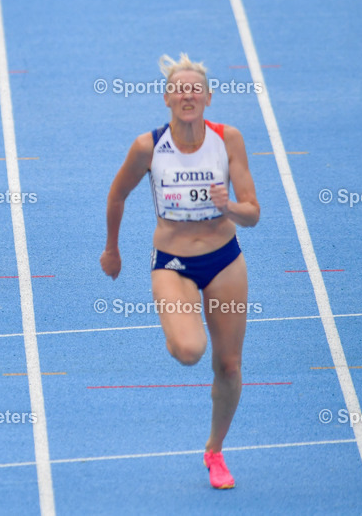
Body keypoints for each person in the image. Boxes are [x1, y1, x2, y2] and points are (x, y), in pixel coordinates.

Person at [100, 54, 260, 489]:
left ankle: (215, 451)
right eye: (180, 89)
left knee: (228, 364)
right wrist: (112, 249)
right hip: (172, 263)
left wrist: (229, 206)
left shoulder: (229, 140)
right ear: (168, 97)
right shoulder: (148, 147)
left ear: (207, 98)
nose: (188, 94)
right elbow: (117, 197)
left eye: (195, 89)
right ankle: (177, 328)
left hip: (224, 260)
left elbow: (253, 214)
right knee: (190, 351)